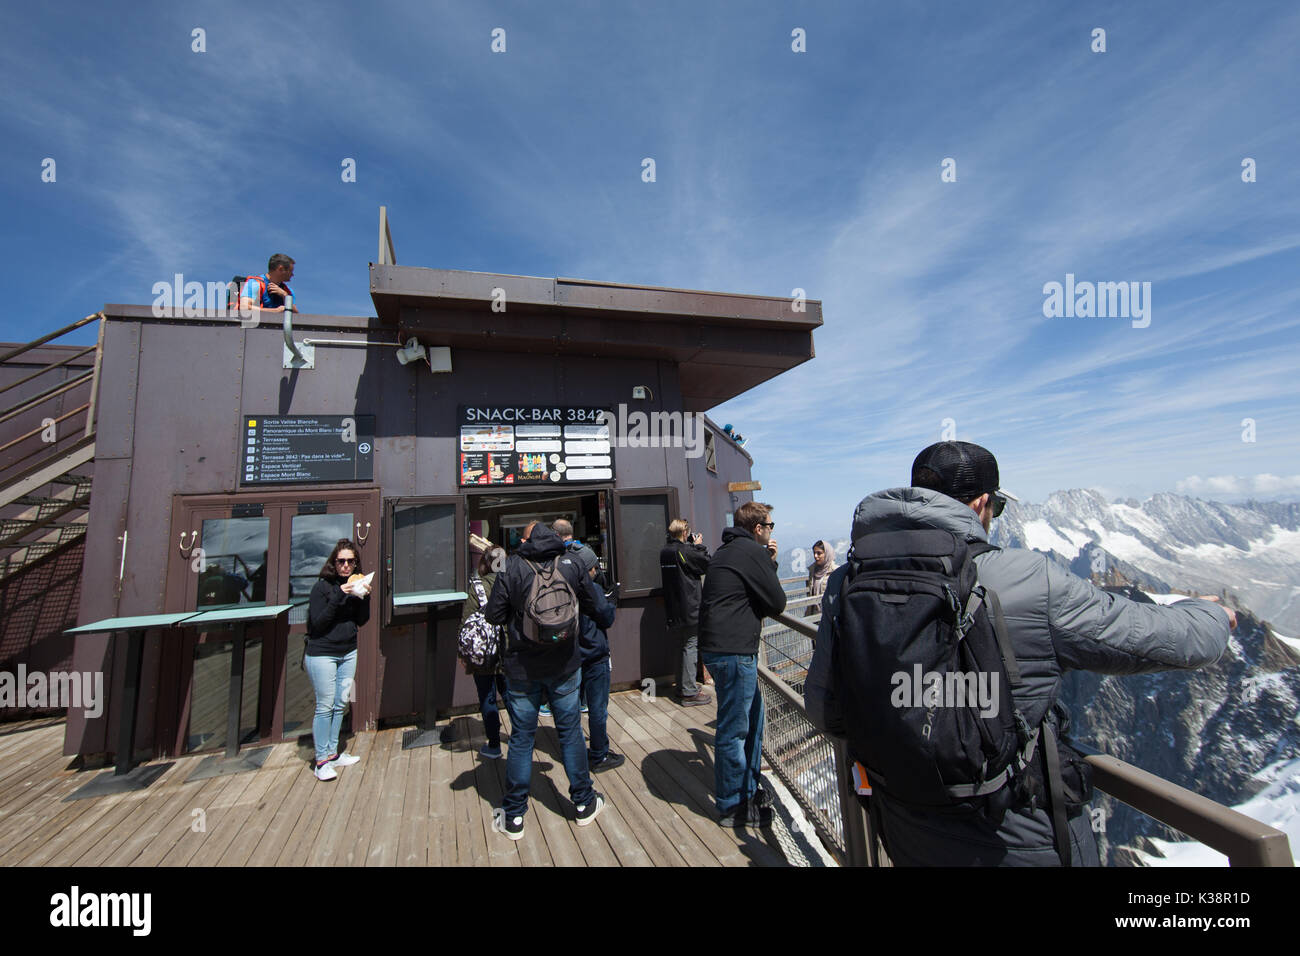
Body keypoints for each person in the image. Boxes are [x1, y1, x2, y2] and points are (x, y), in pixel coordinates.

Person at [805, 441, 1234, 866]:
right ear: (981, 504)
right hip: (1014, 839)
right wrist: (1211, 614)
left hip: (903, 826)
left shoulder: (847, 581)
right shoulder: (1026, 579)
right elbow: (1169, 641)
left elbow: (825, 709)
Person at [485, 521, 615, 840]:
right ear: (557, 538)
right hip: (566, 665)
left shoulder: (511, 567)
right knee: (570, 733)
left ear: (525, 541)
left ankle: (514, 816)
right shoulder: (571, 564)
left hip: (521, 670)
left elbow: (493, 615)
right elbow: (598, 608)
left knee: (521, 738)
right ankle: (584, 803)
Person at [698, 502, 787, 827]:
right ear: (758, 528)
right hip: (733, 652)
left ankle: (747, 790)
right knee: (735, 729)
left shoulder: (728, 550)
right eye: (770, 525)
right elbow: (776, 602)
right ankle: (732, 806)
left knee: (752, 720)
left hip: (722, 650)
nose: (772, 531)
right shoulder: (751, 551)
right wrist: (770, 561)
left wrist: (768, 563)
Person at [305, 539, 370, 781]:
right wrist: (338, 595)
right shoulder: (322, 588)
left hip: (348, 651)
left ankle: (333, 754)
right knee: (324, 706)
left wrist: (364, 597)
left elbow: (361, 621)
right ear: (334, 562)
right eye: (341, 561)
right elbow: (318, 623)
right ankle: (320, 761)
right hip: (322, 652)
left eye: (350, 561)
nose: (345, 566)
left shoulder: (356, 585)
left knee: (340, 704)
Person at [569, 544, 623, 773]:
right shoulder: (593, 589)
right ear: (590, 568)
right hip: (595, 654)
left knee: (570, 710)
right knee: (597, 708)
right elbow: (607, 617)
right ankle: (599, 754)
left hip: (571, 657)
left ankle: (574, 754)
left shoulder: (564, 588)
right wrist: (611, 600)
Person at [460, 546, 511, 759]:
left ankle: (493, 744)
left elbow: (467, 621)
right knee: (510, 695)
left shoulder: (477, 586)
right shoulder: (511, 583)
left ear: (486, 562)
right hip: (507, 649)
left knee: (487, 697)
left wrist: (463, 654)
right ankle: (521, 736)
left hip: (483, 651)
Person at [659, 519, 713, 706]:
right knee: (690, 646)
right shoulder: (685, 551)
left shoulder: (665, 551)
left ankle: (683, 686)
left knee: (681, 646)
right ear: (684, 533)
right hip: (689, 606)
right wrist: (698, 546)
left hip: (673, 607)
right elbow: (706, 564)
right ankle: (689, 692)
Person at [804, 540, 835, 617]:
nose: (815, 556)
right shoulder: (812, 571)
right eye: (814, 553)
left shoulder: (835, 572)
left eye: (819, 553)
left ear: (827, 554)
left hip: (828, 615)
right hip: (814, 614)